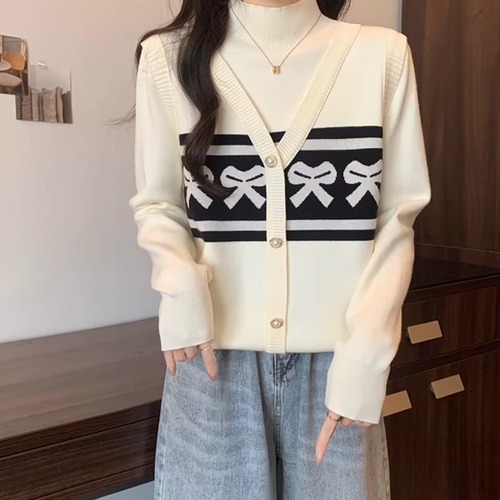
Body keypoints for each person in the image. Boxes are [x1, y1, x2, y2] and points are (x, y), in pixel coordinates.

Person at [128, 0, 431, 498]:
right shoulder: (167, 57)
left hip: (338, 363)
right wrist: (180, 285)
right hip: (211, 358)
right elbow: (158, 203)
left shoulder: (382, 56)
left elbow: (397, 221)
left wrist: (366, 356)